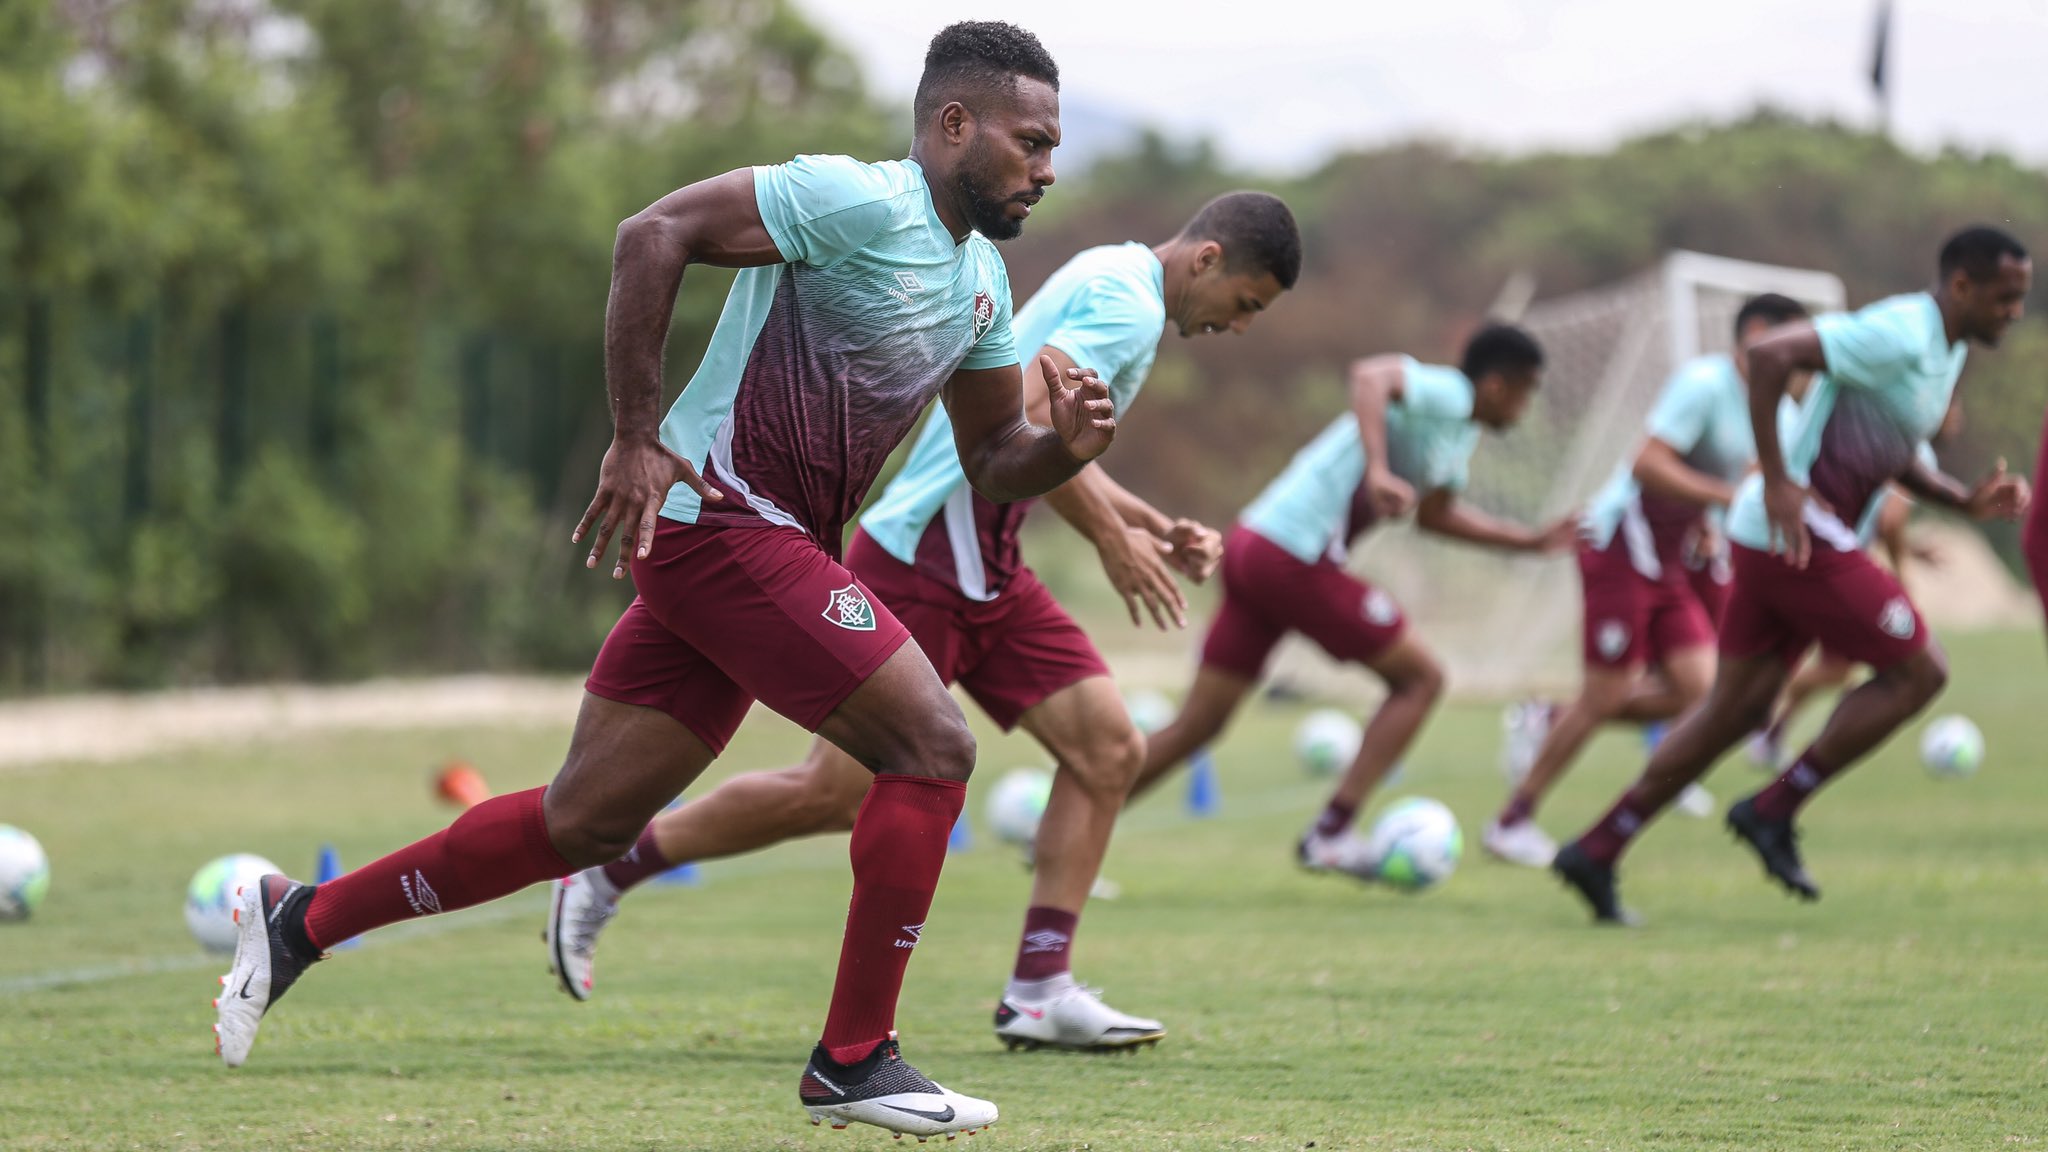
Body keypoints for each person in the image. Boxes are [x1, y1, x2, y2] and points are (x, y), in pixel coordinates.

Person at [211, 22, 1107, 1141]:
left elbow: (990, 462)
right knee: (934, 748)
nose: (1047, 168)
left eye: (1054, 146)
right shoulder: (856, 202)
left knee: (584, 823)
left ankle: (299, 918)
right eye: (1029, 142)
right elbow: (656, 231)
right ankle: (853, 1059)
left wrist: (1065, 446)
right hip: (719, 522)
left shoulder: (981, 284)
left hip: (749, 545)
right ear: (954, 125)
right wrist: (634, 433)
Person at [543, 193, 1303, 1053]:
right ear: (1207, 260)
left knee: (1108, 750)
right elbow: (1029, 421)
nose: (1237, 327)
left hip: (989, 559)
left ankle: (1040, 988)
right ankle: (615, 866)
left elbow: (1053, 438)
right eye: (1245, 305)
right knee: (834, 791)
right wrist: (1112, 543)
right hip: (928, 553)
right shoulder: (1128, 306)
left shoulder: (1115, 275)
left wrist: (1146, 527)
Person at [1552, 226, 2032, 925]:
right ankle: (1773, 808)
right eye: (2005, 297)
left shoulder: (1945, 350)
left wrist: (1960, 499)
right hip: (1799, 532)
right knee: (1920, 671)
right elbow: (1770, 352)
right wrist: (1778, 479)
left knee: (1733, 711)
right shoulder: (1900, 331)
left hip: (1774, 534)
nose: (2014, 312)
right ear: (1962, 284)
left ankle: (1596, 849)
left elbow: (1891, 449)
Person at [1132, 324, 1579, 876]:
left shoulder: (1459, 435)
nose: (1527, 406)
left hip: (1258, 545)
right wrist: (1377, 469)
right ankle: (1331, 834)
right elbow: (1371, 375)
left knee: (1197, 726)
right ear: (1494, 386)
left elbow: (1437, 517)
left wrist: (1530, 541)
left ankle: (1063, 824)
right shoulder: (1449, 393)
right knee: (1422, 680)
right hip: (1290, 556)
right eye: (1526, 390)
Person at [1484, 294, 1812, 868]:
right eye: (1795, 343)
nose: (1803, 359)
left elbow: (1750, 486)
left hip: (1671, 556)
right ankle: (1511, 822)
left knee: (1701, 690)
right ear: (1757, 333)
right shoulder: (1705, 383)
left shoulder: (1780, 410)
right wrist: (1725, 499)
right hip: (1619, 543)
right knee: (1607, 693)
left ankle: (1549, 720)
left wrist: (1714, 522)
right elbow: (1648, 464)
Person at [1746, 484, 1942, 769]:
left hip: (1815, 560)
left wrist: (1910, 549)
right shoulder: (1918, 452)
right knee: (1842, 670)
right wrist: (1903, 575)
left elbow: (1871, 520)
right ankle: (1754, 705)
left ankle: (1768, 732)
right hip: (1836, 572)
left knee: (1832, 667)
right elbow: (1890, 520)